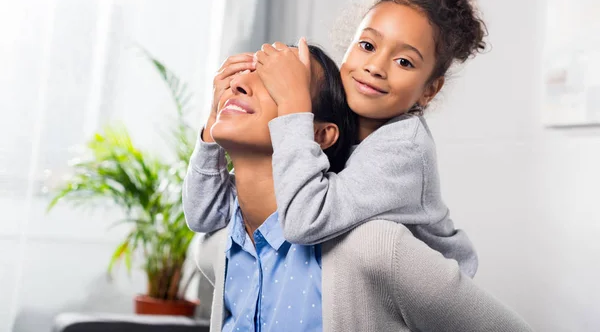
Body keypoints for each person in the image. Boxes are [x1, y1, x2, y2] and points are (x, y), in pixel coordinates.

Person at [190, 45, 532, 331]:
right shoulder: (220, 248)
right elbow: (200, 211)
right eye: (243, 75)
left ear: (319, 134)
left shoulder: (374, 247)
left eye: (277, 84)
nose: (238, 86)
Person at [184, 0, 484, 277]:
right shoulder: (325, 126)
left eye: (404, 62)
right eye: (367, 45)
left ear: (429, 90)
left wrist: (293, 103)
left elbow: (304, 222)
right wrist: (213, 124)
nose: (376, 67)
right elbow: (205, 215)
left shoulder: (404, 148)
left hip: (427, 304)